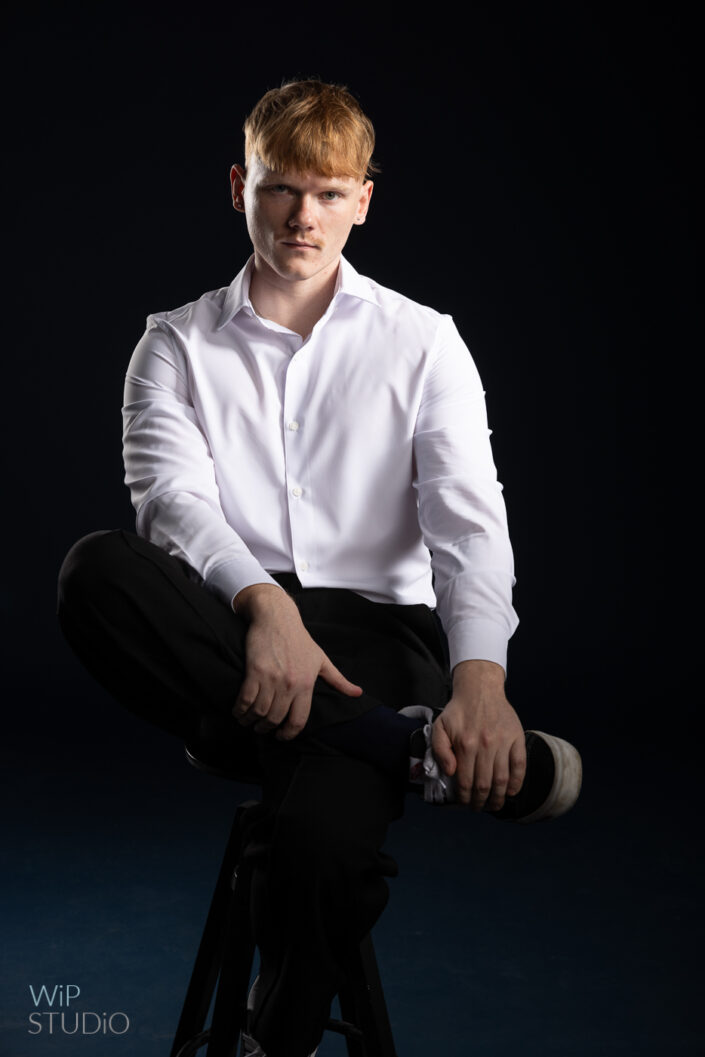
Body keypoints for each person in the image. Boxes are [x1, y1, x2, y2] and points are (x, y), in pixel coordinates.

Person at [57, 79, 582, 1057]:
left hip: (382, 640)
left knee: (319, 838)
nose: (304, 215)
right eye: (281, 188)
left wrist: (481, 683)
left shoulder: (424, 342)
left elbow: (467, 522)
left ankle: (279, 1029)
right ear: (240, 188)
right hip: (229, 639)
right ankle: (401, 746)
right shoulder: (172, 345)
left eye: (330, 193)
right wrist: (265, 606)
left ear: (363, 201)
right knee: (97, 571)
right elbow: (171, 503)